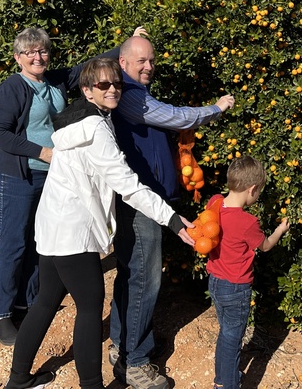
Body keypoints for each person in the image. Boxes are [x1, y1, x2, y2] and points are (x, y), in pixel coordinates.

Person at [4, 58, 196, 389]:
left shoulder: (76, 119)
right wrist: (174, 220)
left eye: (116, 84)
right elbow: (129, 186)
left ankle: (18, 379)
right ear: (87, 90)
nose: (112, 90)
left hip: (53, 223)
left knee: (47, 300)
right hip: (73, 231)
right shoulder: (95, 130)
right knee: (91, 308)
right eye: (103, 85)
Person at [105, 30, 235, 389]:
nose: (148, 67)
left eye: (151, 61)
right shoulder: (130, 96)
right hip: (140, 201)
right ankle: (134, 362)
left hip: (151, 198)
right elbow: (177, 117)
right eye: (140, 61)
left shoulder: (137, 91)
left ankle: (124, 345)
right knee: (144, 278)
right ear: (123, 62)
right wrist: (216, 109)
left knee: (134, 274)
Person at [0, 27, 81, 346]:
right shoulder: (13, 87)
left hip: (49, 176)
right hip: (17, 175)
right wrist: (41, 152)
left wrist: (127, 46)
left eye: (42, 51)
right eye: (30, 52)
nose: (37, 57)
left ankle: (25, 302)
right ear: (18, 58)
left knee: (37, 239)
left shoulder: (54, 81)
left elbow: (89, 66)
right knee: (13, 242)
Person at [204, 156, 290, 389]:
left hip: (215, 282)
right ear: (252, 189)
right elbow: (265, 245)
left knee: (226, 334)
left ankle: (222, 381)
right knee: (233, 339)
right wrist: (280, 230)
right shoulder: (247, 221)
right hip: (236, 287)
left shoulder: (215, 203)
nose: (258, 196)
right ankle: (229, 385)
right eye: (259, 192)